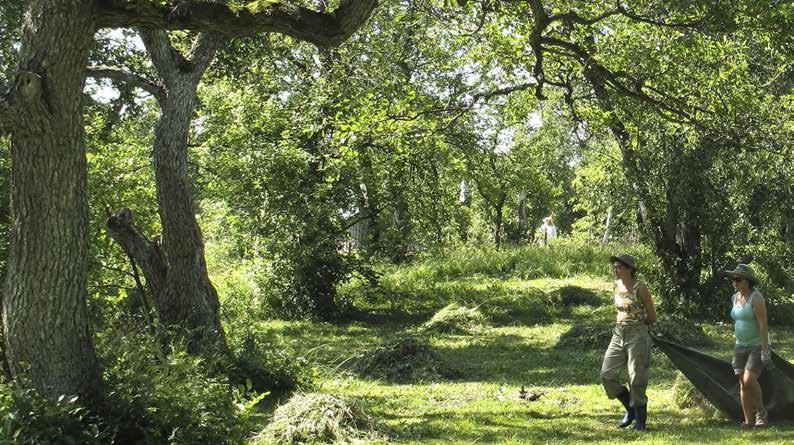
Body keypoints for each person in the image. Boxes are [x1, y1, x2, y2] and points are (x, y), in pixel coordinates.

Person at [600, 253, 657, 431]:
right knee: (607, 375)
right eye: (615, 267)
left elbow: (652, 316)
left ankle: (640, 420)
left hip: (638, 333)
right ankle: (630, 408)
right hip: (618, 333)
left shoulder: (640, 288)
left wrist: (640, 327)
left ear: (630, 269)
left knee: (636, 377)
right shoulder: (616, 286)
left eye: (619, 267)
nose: (616, 270)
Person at [723, 264, 770, 429]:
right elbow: (738, 321)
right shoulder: (735, 297)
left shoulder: (756, 298)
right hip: (739, 346)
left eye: (737, 279)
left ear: (748, 281)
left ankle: (761, 416)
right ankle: (748, 420)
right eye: (732, 279)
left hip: (756, 346)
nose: (733, 282)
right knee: (742, 383)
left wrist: (765, 350)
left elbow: (763, 325)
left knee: (749, 380)